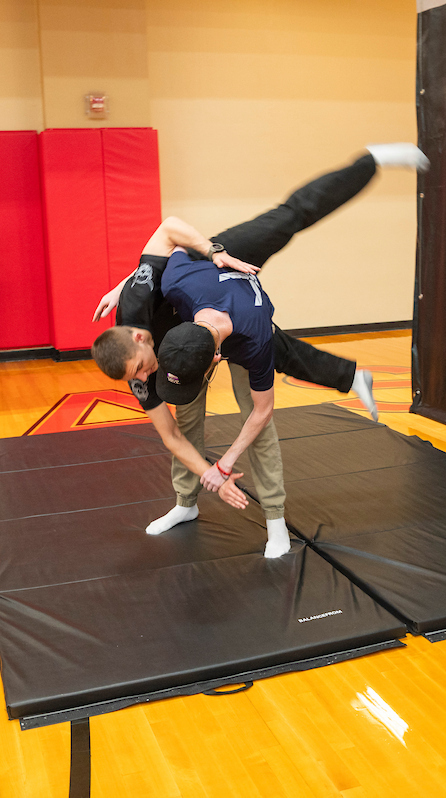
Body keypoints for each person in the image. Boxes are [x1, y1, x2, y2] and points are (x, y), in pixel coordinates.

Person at [91, 143, 429, 557]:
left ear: (141, 337)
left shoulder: (143, 298)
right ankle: (186, 504)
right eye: (136, 379)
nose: (144, 379)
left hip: (213, 269)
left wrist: (217, 253)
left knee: (288, 222)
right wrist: (215, 476)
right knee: (190, 416)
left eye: (143, 369)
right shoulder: (136, 367)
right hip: (198, 338)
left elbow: (170, 235)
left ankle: (274, 517)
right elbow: (172, 437)